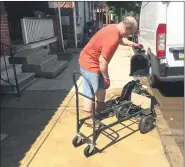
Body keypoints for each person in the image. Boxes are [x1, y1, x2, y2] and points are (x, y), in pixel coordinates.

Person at [78, 16, 142, 125]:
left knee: (102, 86)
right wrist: (107, 77)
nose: (131, 35)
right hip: (90, 62)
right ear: (127, 28)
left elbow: (121, 40)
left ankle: (101, 107)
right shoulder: (113, 37)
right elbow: (102, 61)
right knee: (91, 91)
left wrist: (133, 44)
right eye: (131, 32)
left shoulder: (115, 28)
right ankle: (87, 117)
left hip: (96, 62)